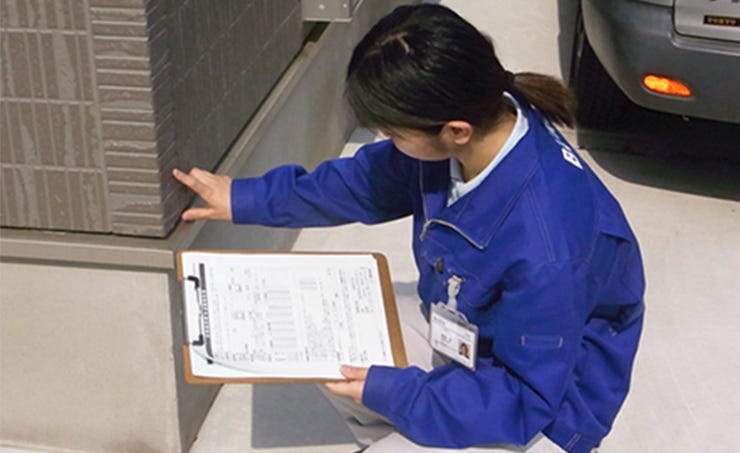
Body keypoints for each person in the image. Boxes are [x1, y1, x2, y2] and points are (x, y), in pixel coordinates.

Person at [172, 4, 645, 452]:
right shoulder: (481, 114)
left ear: (455, 130)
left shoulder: (548, 245)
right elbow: (362, 183)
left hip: (541, 408)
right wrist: (247, 199)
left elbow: (524, 397)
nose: (386, 140)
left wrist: (395, 393)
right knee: (324, 343)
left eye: (395, 133)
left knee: (375, 386)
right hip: (472, 335)